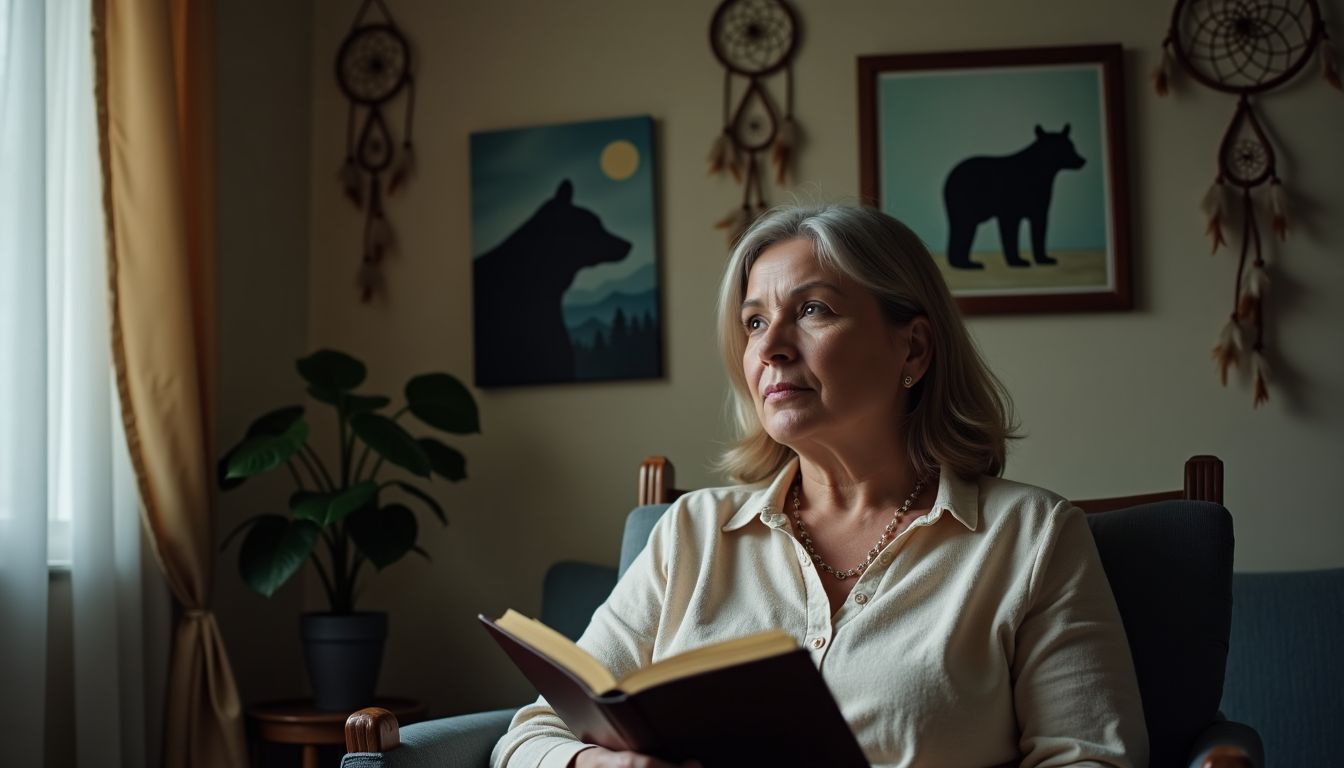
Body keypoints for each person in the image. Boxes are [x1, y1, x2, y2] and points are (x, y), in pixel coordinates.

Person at [491, 204, 1149, 768]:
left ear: (914, 350)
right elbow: (530, 735)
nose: (771, 346)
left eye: (811, 310)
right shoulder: (692, 533)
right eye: (753, 322)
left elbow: (1090, 756)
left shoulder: (1031, 538)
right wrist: (589, 761)